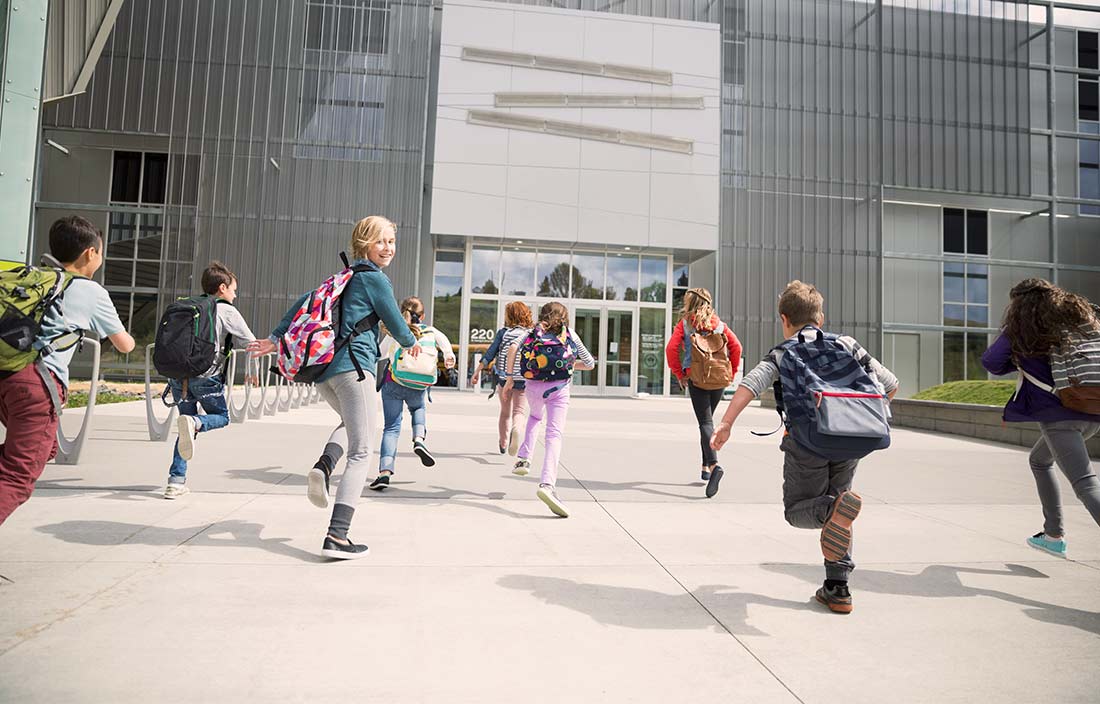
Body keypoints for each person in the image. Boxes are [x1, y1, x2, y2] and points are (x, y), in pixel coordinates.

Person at [710, 281, 898, 614]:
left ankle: (830, 511)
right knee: (842, 506)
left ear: (784, 318)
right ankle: (838, 588)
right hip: (851, 442)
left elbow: (751, 383)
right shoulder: (847, 344)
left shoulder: (783, 352)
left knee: (799, 511)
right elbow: (890, 384)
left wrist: (726, 424)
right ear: (820, 317)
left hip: (806, 443)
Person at [249, 216, 420, 559]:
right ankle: (337, 535)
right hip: (354, 369)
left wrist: (275, 337)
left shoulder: (344, 276)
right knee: (362, 450)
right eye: (381, 241)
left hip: (326, 373)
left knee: (352, 425)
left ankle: (324, 466)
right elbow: (394, 320)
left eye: (391, 241)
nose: (388, 248)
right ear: (364, 244)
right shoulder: (375, 279)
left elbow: (303, 302)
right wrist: (410, 341)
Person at [0, 216, 135, 525]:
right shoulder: (91, 292)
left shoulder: (34, 277)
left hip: (6, 372)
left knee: (40, 450)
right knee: (19, 475)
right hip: (35, 385)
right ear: (90, 253)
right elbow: (125, 344)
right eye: (101, 252)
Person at [981, 278, 1100, 558]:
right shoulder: (1077, 323)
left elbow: (991, 362)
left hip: (1059, 417)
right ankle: (1052, 535)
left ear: (1020, 304)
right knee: (1039, 460)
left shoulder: (1023, 329)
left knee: (1085, 484)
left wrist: (1019, 356)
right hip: (1092, 409)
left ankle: (1054, 535)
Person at [162, 262, 257, 499]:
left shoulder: (188, 305)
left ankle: (175, 481)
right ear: (222, 288)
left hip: (177, 377)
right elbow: (251, 342)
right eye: (234, 289)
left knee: (185, 428)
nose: (235, 294)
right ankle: (195, 423)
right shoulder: (225, 310)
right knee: (221, 418)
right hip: (206, 377)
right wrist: (252, 370)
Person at [503, 302, 595, 518]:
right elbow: (589, 363)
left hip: (532, 386)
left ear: (542, 315)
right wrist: (570, 365)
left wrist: (509, 377)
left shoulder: (531, 332)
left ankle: (524, 458)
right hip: (559, 388)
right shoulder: (569, 333)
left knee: (534, 417)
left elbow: (513, 349)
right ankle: (547, 485)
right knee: (554, 435)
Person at [371, 296, 456, 490]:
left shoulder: (395, 331)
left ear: (401, 312)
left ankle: (384, 472)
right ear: (423, 315)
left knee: (391, 428)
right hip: (418, 384)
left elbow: (380, 354)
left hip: (394, 382)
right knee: (418, 408)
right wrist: (449, 357)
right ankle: (419, 439)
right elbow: (445, 346)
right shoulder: (431, 331)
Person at [665, 287, 742, 497]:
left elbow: (671, 349)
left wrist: (680, 374)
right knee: (706, 422)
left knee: (705, 423)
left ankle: (715, 465)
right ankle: (705, 467)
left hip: (697, 379)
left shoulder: (686, 324)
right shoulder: (719, 324)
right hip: (718, 380)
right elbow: (737, 348)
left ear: (690, 303)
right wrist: (731, 372)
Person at [472, 301, 534, 455]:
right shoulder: (531, 334)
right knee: (519, 411)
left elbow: (490, 353)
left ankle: (503, 442)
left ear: (509, 316)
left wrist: (477, 371)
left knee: (505, 412)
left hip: (504, 378)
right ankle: (516, 429)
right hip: (523, 379)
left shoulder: (504, 333)